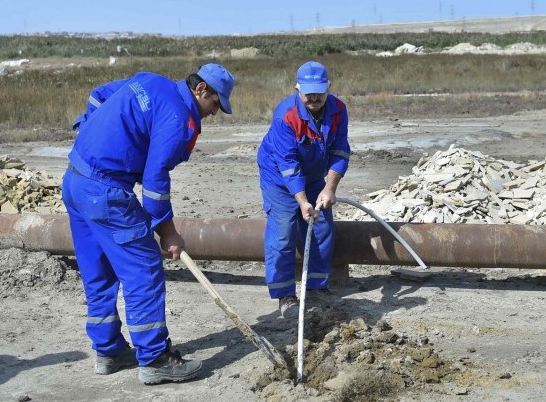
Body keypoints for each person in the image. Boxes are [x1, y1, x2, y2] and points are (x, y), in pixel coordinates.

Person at [62, 63, 235, 384]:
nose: (214, 113)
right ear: (201, 90)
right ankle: (155, 359)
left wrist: (93, 132)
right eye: (215, 104)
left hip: (75, 181)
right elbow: (155, 183)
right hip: (107, 192)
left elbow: (98, 96)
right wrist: (168, 233)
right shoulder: (177, 118)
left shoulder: (150, 81)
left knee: (97, 269)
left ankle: (109, 350)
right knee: (143, 269)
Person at [256, 61, 351, 318]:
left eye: (319, 91)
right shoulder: (286, 115)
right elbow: (287, 163)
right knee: (284, 231)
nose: (314, 97)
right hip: (278, 175)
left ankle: (316, 289)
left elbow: (340, 150)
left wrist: (329, 188)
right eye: (308, 91)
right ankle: (285, 296)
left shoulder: (338, 110)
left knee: (321, 226)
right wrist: (301, 201)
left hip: (313, 174)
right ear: (297, 88)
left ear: (328, 87)